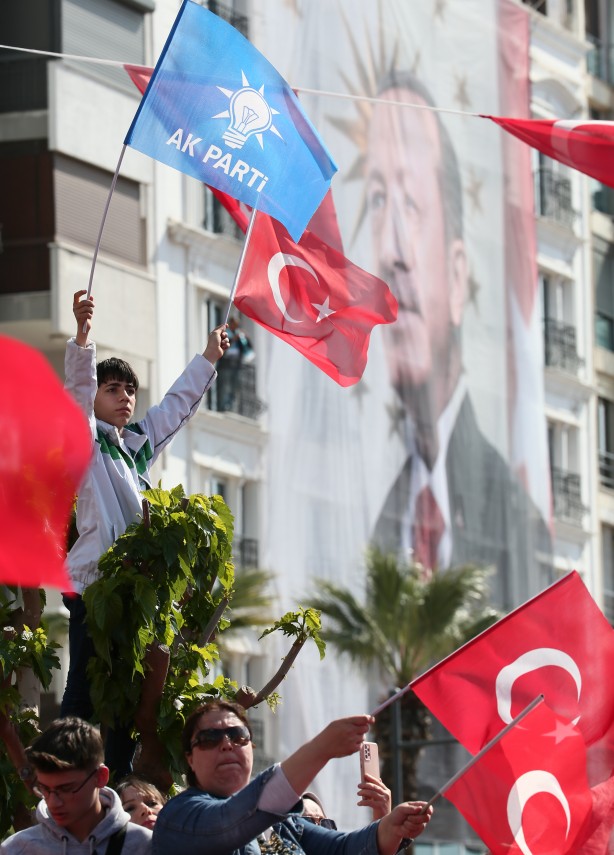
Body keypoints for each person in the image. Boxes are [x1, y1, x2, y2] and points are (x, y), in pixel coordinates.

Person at [367, 71, 551, 609]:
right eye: (378, 201)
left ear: (455, 273)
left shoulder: (515, 516)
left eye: (412, 205)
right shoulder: (382, 520)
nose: (392, 251)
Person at [61, 289, 229, 776]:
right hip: (94, 583)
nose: (124, 398)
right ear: (94, 397)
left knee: (127, 692)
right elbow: (74, 393)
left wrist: (210, 357)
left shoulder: (136, 447)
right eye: (112, 389)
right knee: (83, 683)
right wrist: (82, 338)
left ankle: (110, 776)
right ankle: (65, 764)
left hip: (133, 593)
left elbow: (177, 406)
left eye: (129, 391)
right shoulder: (86, 441)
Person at [152, 699, 432, 855]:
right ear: (189, 757)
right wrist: (320, 749)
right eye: (210, 738)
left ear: (252, 746)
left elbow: (344, 849)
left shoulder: (286, 824)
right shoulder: (179, 816)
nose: (226, 744)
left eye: (238, 735)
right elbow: (229, 822)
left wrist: (389, 829)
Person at [0, 716, 151, 853]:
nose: (53, 802)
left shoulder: (145, 846)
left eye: (66, 789)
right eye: (44, 789)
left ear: (100, 777)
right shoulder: (16, 849)